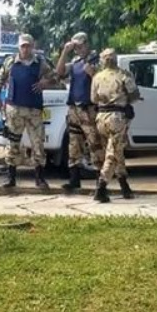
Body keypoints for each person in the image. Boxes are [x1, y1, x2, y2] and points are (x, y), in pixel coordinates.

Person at [0, 34, 58, 190]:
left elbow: (55, 77)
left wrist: (45, 82)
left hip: (34, 110)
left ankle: (39, 178)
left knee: (38, 143)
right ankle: (11, 178)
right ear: (19, 47)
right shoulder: (10, 62)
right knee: (13, 143)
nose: (25, 49)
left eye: (28, 46)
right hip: (14, 109)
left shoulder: (40, 63)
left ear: (32, 47)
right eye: (23, 46)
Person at [90, 48, 141, 202]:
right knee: (112, 154)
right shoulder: (124, 75)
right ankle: (101, 187)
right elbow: (135, 95)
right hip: (117, 118)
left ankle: (124, 186)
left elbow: (93, 99)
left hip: (101, 118)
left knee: (116, 152)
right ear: (115, 59)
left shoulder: (97, 77)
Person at [55, 32, 103, 192]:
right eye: (75, 47)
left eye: (80, 46)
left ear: (87, 44)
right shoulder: (75, 62)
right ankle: (74, 179)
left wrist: (93, 74)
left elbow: (105, 82)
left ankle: (100, 182)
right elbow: (59, 72)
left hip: (89, 108)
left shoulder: (97, 60)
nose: (78, 49)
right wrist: (64, 52)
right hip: (74, 109)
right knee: (74, 144)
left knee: (95, 144)